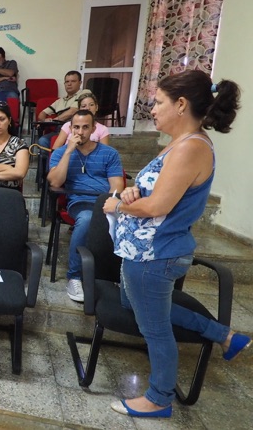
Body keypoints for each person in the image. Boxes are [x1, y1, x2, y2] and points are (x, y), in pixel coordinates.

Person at [102, 70, 249, 418]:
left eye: (158, 102)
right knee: (136, 305)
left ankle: (158, 398)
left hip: (156, 254)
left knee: (154, 328)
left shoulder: (192, 148)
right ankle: (223, 335)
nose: (152, 109)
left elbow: (157, 208)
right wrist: (131, 191)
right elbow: (155, 195)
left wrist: (118, 204)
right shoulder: (180, 144)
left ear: (181, 104)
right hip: (148, 251)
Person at [47, 110, 124, 302]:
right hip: (78, 202)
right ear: (70, 128)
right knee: (87, 219)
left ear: (93, 128)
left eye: (85, 127)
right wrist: (68, 151)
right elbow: (55, 182)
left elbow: (117, 186)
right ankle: (74, 276)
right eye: (76, 127)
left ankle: (116, 276)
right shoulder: (60, 153)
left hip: (105, 201)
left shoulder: (109, 153)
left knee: (128, 218)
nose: (80, 132)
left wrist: (111, 204)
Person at [36, 71, 93, 149]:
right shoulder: (59, 101)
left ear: (80, 83)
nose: (69, 84)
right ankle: (51, 161)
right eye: (67, 82)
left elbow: (73, 111)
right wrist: (45, 120)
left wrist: (54, 120)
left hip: (77, 129)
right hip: (59, 130)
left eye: (73, 81)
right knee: (43, 141)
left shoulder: (84, 93)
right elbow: (41, 114)